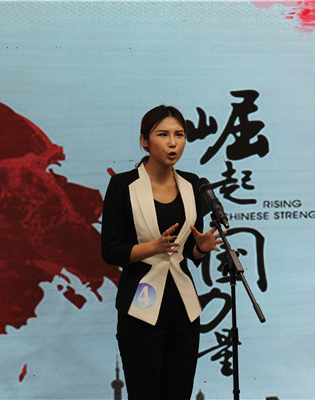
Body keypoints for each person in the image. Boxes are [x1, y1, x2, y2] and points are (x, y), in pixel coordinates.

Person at [101, 105, 222, 400]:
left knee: (179, 393)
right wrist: (152, 248)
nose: (173, 143)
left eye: (179, 135)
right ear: (145, 140)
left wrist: (201, 249)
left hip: (183, 307)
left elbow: (189, 249)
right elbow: (111, 251)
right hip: (140, 304)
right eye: (163, 134)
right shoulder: (123, 185)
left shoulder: (192, 184)